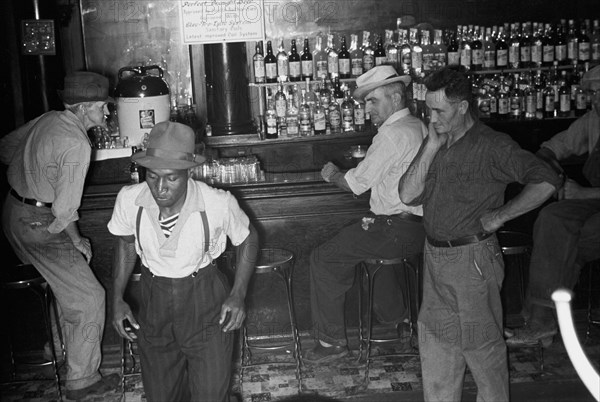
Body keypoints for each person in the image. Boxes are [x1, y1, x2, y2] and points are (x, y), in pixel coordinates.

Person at [398, 66, 562, 401]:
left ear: (462, 107)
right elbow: (407, 194)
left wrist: (501, 215)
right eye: (429, 109)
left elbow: (546, 180)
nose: (433, 117)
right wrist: (430, 146)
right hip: (435, 257)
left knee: (483, 352)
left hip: (472, 260)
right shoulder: (438, 140)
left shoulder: (492, 145)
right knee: (437, 350)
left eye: (440, 110)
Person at [109, 121, 258, 401]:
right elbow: (125, 245)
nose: (160, 187)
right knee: (161, 396)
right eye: (152, 176)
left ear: (188, 172)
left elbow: (248, 239)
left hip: (205, 302)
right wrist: (116, 298)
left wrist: (238, 294)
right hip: (153, 305)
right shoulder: (129, 200)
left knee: (211, 394)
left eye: (171, 178)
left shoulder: (217, 202)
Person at [0, 71, 119, 399]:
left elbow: (7, 148)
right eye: (101, 106)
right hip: (39, 224)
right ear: (83, 108)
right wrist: (77, 240)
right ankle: (82, 381)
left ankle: (56, 349)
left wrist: (35, 172)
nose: (106, 112)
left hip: (12, 212)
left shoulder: (49, 119)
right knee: (90, 296)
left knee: (61, 285)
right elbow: (64, 209)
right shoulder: (77, 142)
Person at [305, 65, 427, 364]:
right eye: (365, 102)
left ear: (396, 98)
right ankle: (397, 323)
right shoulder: (418, 126)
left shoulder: (391, 135)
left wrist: (332, 173)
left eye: (373, 101)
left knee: (323, 258)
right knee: (369, 248)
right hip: (418, 229)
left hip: (393, 229)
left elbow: (355, 184)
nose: (367, 109)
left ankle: (332, 343)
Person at [506, 65, 600, 347]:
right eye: (592, 93)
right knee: (552, 217)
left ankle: (541, 322)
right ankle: (543, 323)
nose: (595, 100)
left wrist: (582, 194)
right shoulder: (593, 120)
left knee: (569, 242)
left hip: (591, 199)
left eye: (599, 92)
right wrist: (554, 171)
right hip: (593, 200)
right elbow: (551, 147)